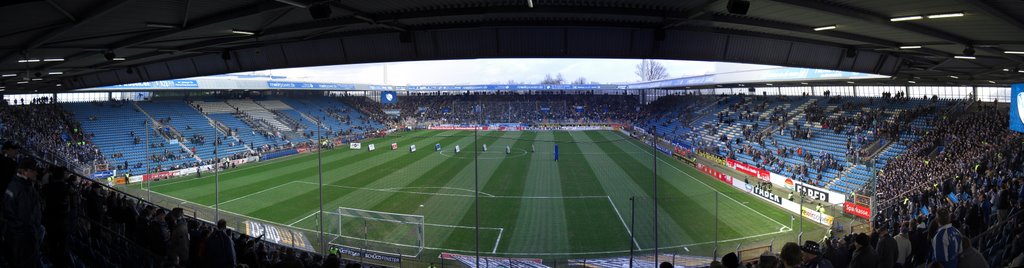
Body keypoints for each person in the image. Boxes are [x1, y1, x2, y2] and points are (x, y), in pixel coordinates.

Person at [2, 159, 43, 268]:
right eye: (33, 170)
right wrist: (33, 233)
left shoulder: (13, 184)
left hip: (13, 233)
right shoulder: (24, 189)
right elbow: (26, 217)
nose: (36, 173)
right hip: (24, 237)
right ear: (24, 171)